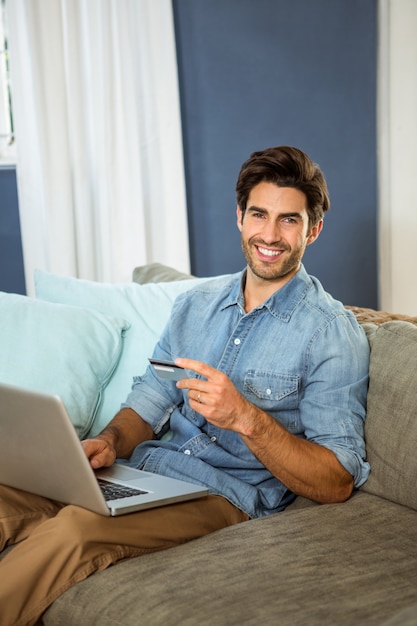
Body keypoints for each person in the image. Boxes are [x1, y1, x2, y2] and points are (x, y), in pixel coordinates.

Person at [0, 146, 370, 626]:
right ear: (240, 217)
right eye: (259, 214)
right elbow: (150, 397)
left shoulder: (331, 333)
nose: (270, 235)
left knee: (74, 528)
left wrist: (245, 418)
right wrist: (109, 442)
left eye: (289, 220)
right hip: (146, 472)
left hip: (222, 497)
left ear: (313, 230)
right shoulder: (195, 305)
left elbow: (337, 478)